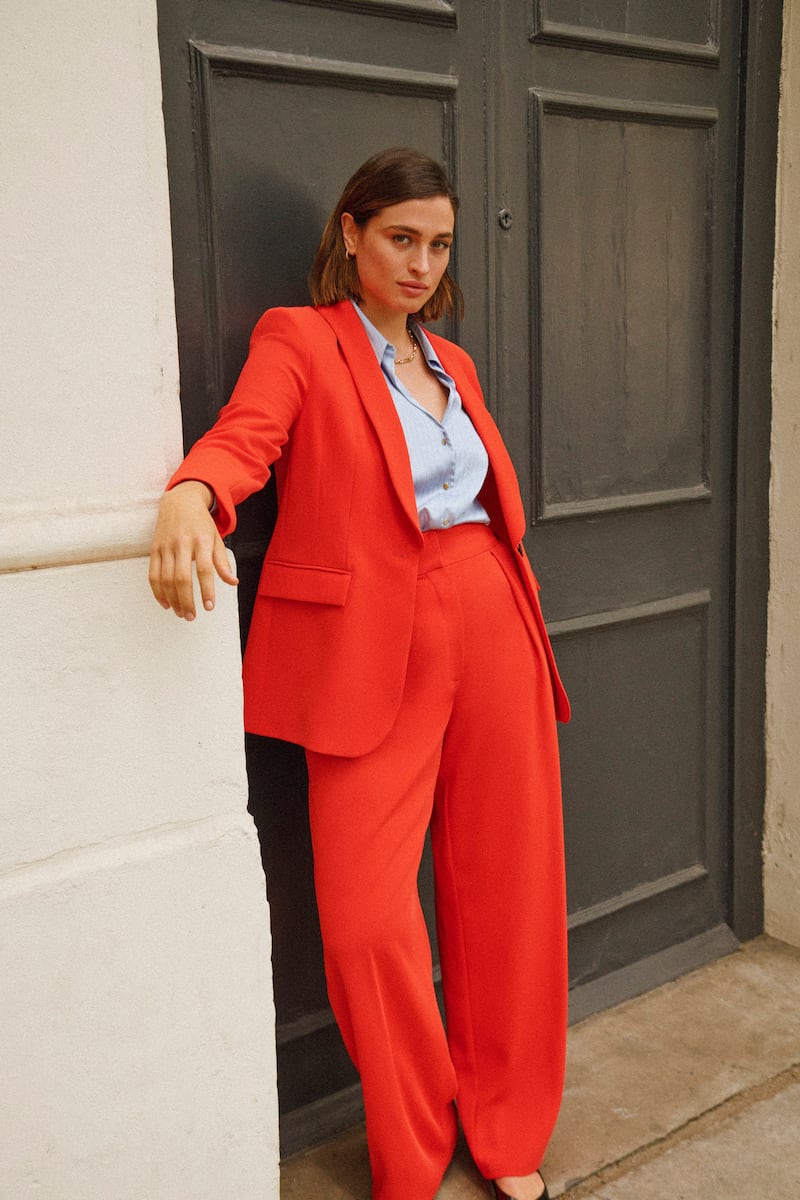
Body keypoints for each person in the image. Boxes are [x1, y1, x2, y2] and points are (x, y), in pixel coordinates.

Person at [149, 147, 570, 1200]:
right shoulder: (300, 339)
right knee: (366, 916)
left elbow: (481, 504)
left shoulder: (454, 365)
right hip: (369, 642)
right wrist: (193, 495)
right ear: (350, 234)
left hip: (489, 616)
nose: (420, 262)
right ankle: (416, 1141)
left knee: (507, 889)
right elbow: (247, 438)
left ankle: (506, 1130)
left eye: (437, 244)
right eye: (400, 239)